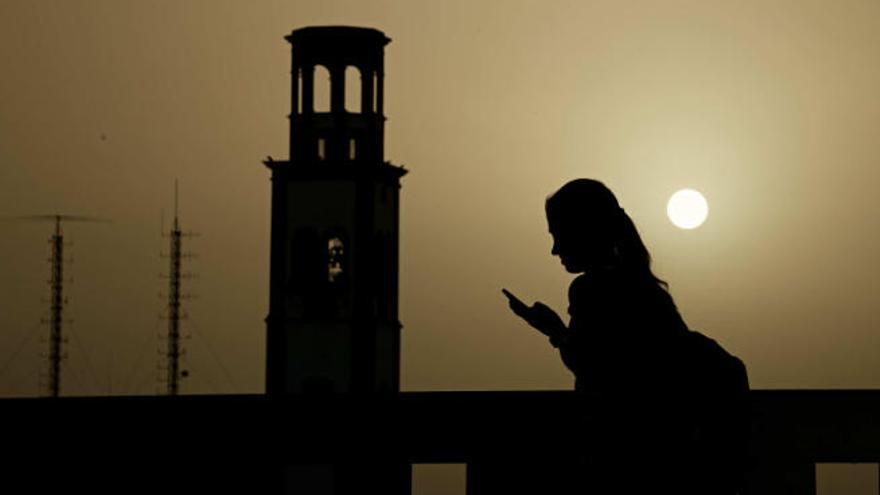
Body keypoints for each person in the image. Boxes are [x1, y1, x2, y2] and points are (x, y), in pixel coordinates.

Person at [503, 178, 749, 494]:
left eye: (558, 235)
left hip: (631, 456)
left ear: (583, 230)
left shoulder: (591, 290)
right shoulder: (643, 287)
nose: (555, 249)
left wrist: (554, 332)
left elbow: (594, 367)